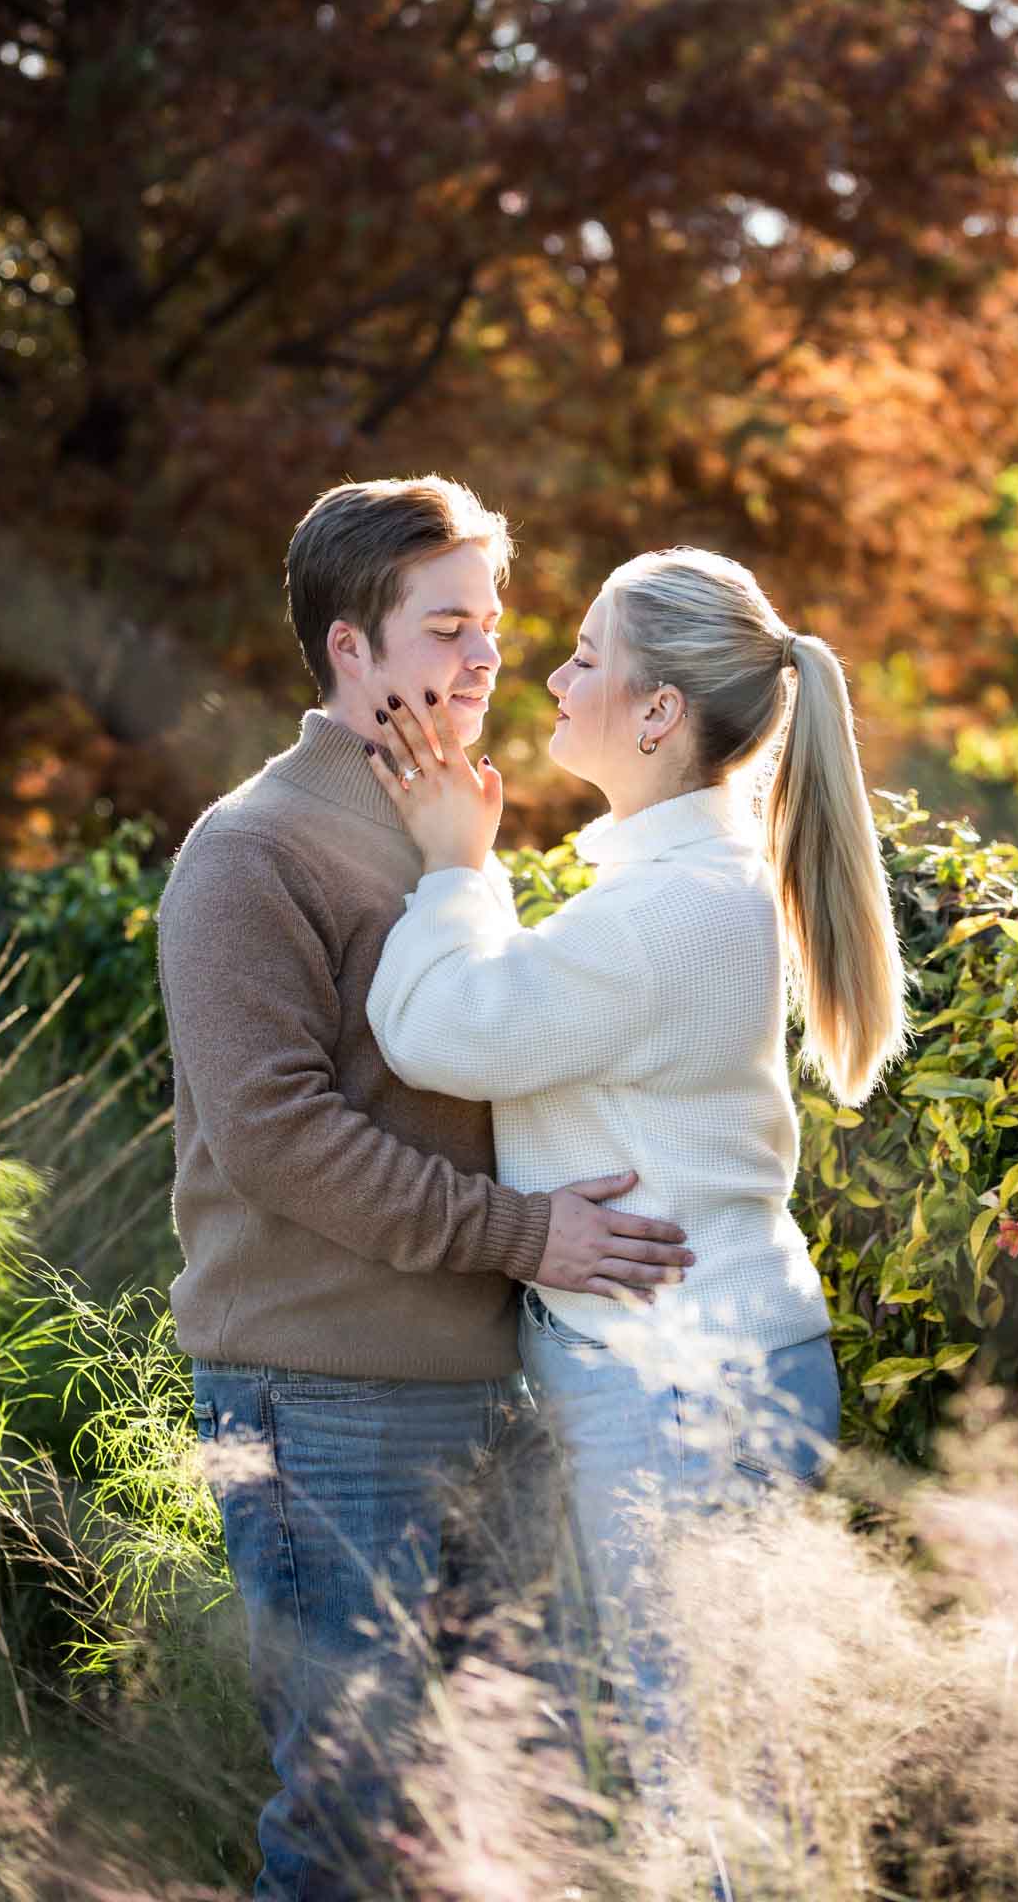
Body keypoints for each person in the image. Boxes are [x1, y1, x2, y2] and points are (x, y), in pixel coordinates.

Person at [156, 479, 695, 1902]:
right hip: (318, 1399)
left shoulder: (450, 831)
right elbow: (276, 1133)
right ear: (350, 649)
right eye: (444, 627)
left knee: (472, 1815)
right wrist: (531, 1236)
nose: (483, 659)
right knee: (350, 1815)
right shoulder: (248, 852)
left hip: (476, 1379)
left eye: (493, 627)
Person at [364, 544, 910, 1793]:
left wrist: (454, 859)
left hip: (678, 1393)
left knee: (706, 1784)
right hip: (696, 1371)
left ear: (659, 711)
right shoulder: (676, 884)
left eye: (588, 657)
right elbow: (517, 1005)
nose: (552, 676)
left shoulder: (670, 909)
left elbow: (442, 1028)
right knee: (712, 1765)